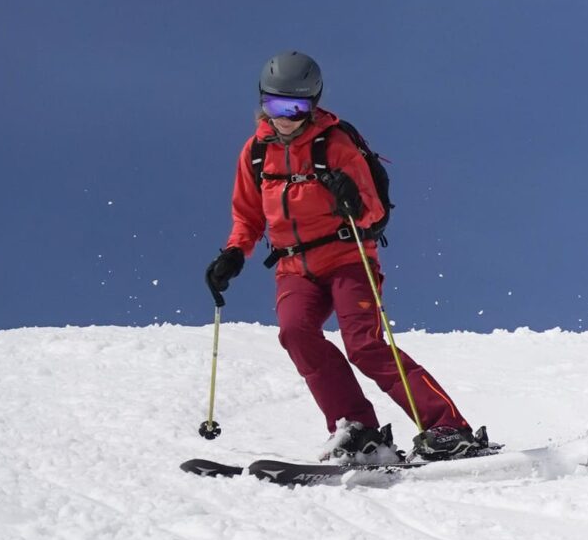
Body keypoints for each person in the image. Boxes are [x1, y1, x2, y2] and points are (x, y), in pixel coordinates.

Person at [204, 51, 483, 461]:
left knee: (363, 345)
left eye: (295, 106)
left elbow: (375, 212)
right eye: (274, 105)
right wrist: (232, 254)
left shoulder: (335, 143)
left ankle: (448, 427)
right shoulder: (255, 153)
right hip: (293, 267)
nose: (284, 116)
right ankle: (359, 430)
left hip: (347, 258)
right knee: (295, 333)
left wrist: (349, 197)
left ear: (312, 104)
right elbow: (248, 217)